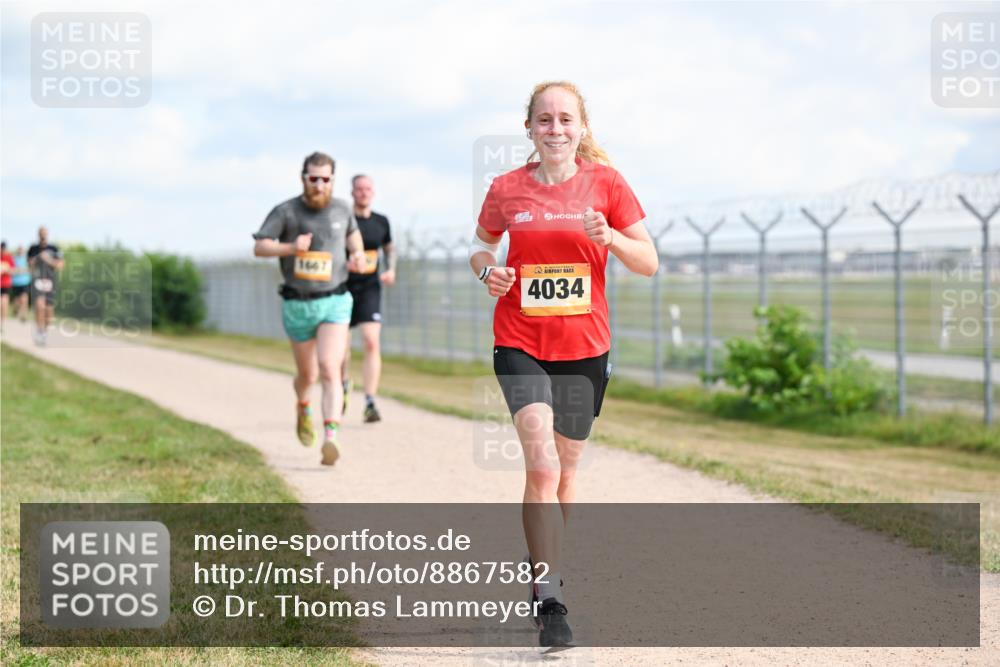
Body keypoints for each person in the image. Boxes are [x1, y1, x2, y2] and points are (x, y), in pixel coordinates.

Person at [470, 81, 657, 647]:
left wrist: (612, 241)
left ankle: (541, 557)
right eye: (544, 120)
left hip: (584, 348)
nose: (555, 129)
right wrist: (488, 273)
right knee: (543, 468)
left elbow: (648, 261)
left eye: (565, 119)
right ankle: (550, 595)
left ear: (582, 128)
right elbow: (480, 247)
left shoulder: (608, 184)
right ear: (529, 128)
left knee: (568, 474)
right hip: (520, 340)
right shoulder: (506, 188)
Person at [253, 152, 366, 466]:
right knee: (308, 374)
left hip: (335, 299)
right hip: (298, 303)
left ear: (333, 180)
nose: (319, 184)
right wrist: (291, 247)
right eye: (313, 178)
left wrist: (356, 255)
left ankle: (331, 436)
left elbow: (353, 239)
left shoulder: (343, 209)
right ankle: (303, 404)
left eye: (325, 179)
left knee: (330, 367)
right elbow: (260, 246)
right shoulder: (287, 211)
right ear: (303, 178)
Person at [341, 174, 395, 423]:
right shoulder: (343, 220)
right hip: (341, 287)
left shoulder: (381, 221)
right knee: (342, 347)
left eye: (367, 189)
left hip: (370, 288)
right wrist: (345, 264)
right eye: (359, 189)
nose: (363, 193)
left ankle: (370, 401)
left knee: (372, 342)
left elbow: (389, 248)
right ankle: (342, 386)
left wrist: (391, 269)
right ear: (352, 192)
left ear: (373, 192)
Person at [27, 227, 65, 346]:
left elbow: (60, 265)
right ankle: (40, 330)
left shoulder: (54, 248)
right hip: (38, 280)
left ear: (47, 235)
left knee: (49, 309)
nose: (43, 236)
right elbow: (30, 265)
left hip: (50, 281)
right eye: (41, 234)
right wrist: (38, 258)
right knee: (39, 306)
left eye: (45, 234)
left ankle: (45, 332)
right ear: (38, 235)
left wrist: (47, 259)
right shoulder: (33, 249)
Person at [10, 246, 31, 322]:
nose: (20, 251)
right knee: (17, 300)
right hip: (15, 282)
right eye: (19, 250)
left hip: (25, 281)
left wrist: (21, 270)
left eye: (22, 250)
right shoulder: (13, 259)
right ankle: (15, 310)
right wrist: (17, 270)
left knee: (24, 298)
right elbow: (11, 270)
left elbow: (30, 269)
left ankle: (24, 315)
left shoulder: (27, 259)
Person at [1, 241, 13, 334]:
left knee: (4, 303)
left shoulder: (9, 258)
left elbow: (12, 270)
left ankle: (2, 323)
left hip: (5, 283)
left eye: (4, 248)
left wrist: (6, 269)